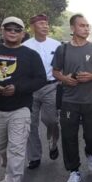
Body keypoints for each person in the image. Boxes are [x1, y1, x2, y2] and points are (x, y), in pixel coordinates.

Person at [52, 14, 92, 182]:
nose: (86, 28)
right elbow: (55, 71)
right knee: (69, 137)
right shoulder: (63, 49)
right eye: (82, 25)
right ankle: (74, 171)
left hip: (90, 101)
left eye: (87, 26)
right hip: (69, 100)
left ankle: (91, 152)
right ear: (73, 28)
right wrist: (65, 79)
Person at [0, 16, 46, 182]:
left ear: (23, 33)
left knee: (16, 149)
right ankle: (7, 177)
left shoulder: (31, 55)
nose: (12, 32)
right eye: (8, 29)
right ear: (2, 30)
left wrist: (17, 88)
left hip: (20, 108)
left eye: (16, 30)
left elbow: (41, 79)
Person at [23, 14, 61, 169]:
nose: (45, 26)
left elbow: (61, 66)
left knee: (51, 120)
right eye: (40, 23)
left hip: (50, 87)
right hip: (30, 89)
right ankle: (34, 156)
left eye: (46, 23)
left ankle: (53, 142)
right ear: (32, 27)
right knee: (30, 124)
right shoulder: (25, 46)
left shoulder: (56, 44)